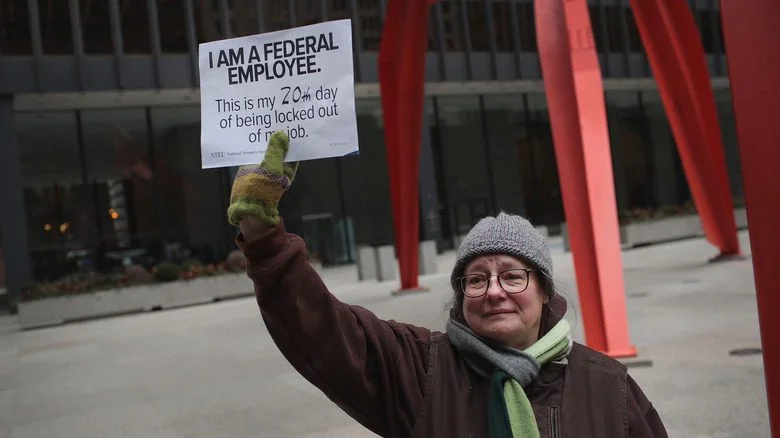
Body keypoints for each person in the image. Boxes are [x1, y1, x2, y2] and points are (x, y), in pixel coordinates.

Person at [228, 131, 668, 437]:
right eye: (476, 280)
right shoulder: (423, 370)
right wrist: (262, 233)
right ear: (461, 297)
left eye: (513, 276)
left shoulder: (608, 387)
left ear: (545, 292)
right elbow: (322, 332)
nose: (494, 291)